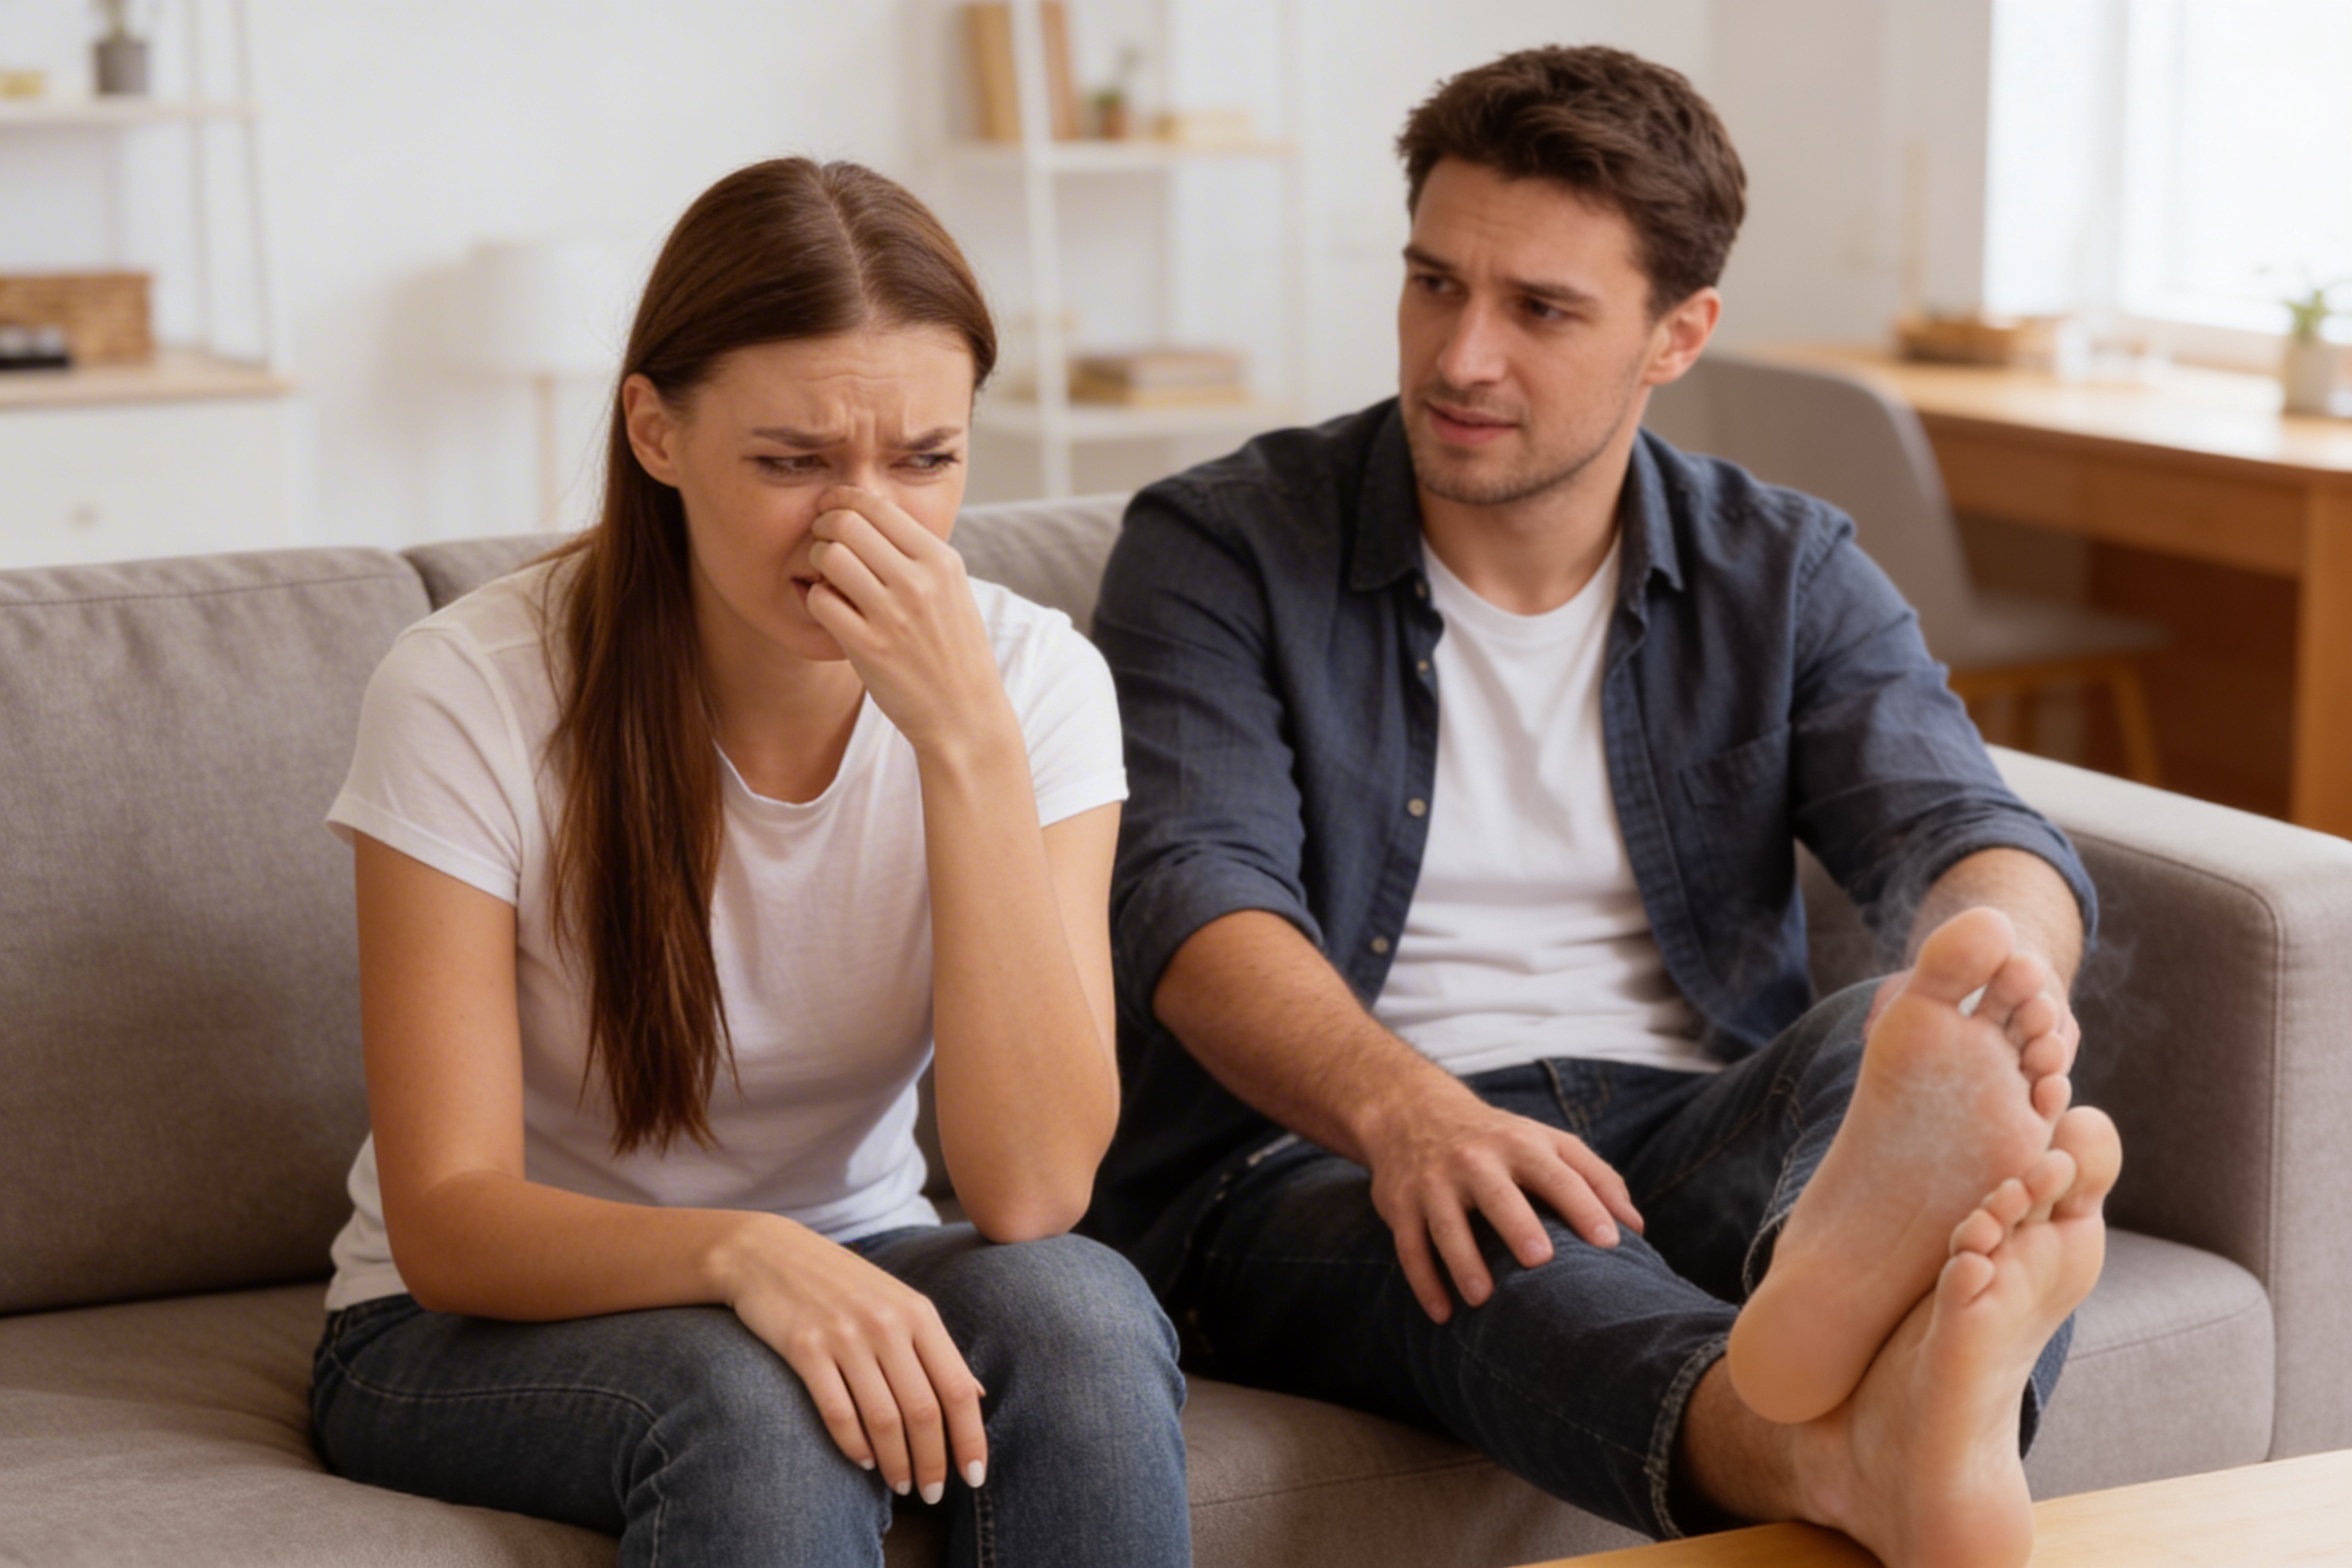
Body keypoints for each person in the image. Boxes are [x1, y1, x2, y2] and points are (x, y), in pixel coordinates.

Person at [1086, 45, 2119, 1568]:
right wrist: (1408, 1114)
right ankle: (1841, 1449)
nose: (1460, 357)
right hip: (1314, 1160)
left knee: (1920, 1042)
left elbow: (1959, 823)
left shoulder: (1785, 565)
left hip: (1682, 1122)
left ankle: (1882, 1356)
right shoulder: (1219, 549)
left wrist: (1998, 968)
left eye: (1541, 309)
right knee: (1486, 1231)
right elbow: (1186, 893)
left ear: (1676, 335)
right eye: (1435, 283)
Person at [308, 157, 1191, 1568]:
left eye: (926, 459)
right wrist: (747, 1255)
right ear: (656, 434)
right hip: (466, 1325)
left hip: (859, 1265)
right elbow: (451, 1221)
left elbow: (1028, 1195)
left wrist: (965, 744)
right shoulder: (470, 688)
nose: (865, 524)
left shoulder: (1032, 686)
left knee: (1080, 1310)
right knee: (751, 1406)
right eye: (792, 463)